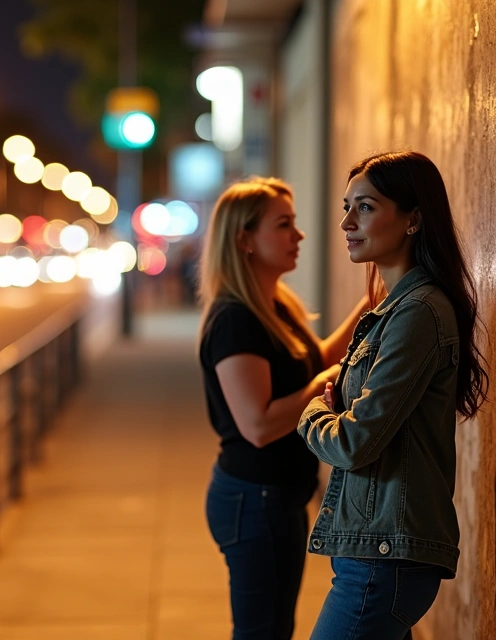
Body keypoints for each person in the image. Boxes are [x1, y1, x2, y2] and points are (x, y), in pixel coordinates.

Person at [299, 152, 488, 639]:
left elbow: (354, 442)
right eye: (347, 207)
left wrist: (313, 412)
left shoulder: (418, 312)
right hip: (376, 551)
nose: (347, 222)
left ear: (413, 219)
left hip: (384, 560)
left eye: (365, 207)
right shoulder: (398, 307)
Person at [198, 177, 370, 640]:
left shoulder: (274, 304)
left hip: (275, 496)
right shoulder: (236, 319)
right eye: (283, 224)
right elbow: (258, 425)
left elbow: (318, 360)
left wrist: (374, 301)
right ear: (245, 239)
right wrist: (327, 380)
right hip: (254, 498)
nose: (299, 234)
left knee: (272, 628)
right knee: (263, 632)